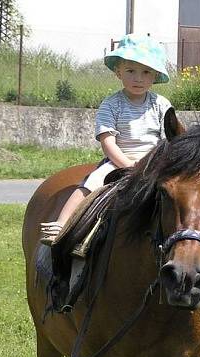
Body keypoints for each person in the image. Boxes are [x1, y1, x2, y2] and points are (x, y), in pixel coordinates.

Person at [40, 33, 171, 244]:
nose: (138, 78)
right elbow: (107, 141)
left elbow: (168, 141)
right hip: (119, 160)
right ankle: (62, 224)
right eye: (130, 71)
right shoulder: (111, 104)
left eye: (146, 72)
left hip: (155, 161)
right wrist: (128, 164)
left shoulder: (161, 105)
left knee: (184, 189)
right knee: (91, 183)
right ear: (118, 73)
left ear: (155, 75)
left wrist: (155, 163)